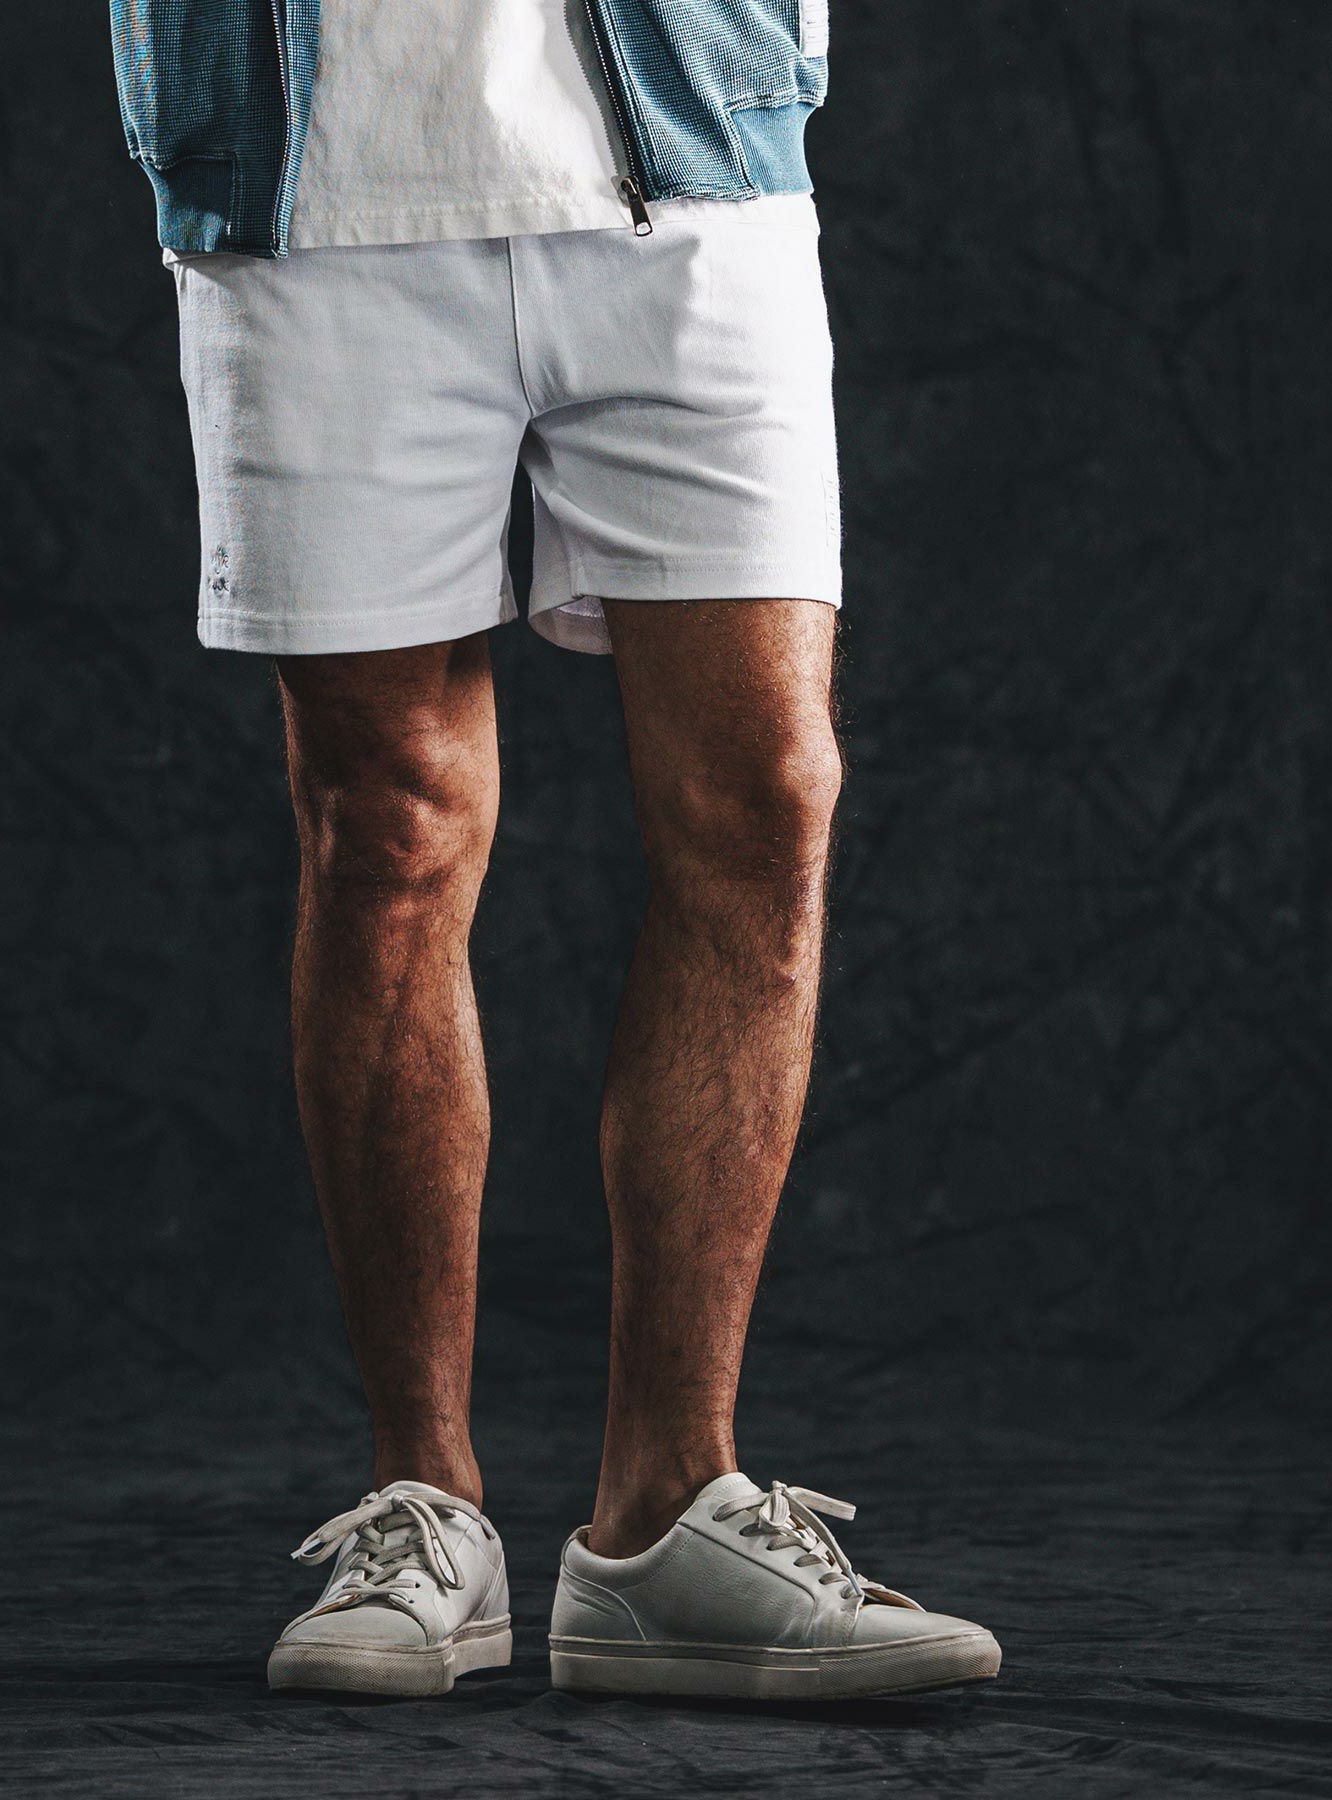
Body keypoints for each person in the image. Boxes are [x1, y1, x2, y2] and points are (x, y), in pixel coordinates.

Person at [109, 0, 1001, 1703]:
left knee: (767, 800)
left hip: (687, 146)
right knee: (387, 827)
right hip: (315, 182)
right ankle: (422, 1508)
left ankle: (670, 1521)